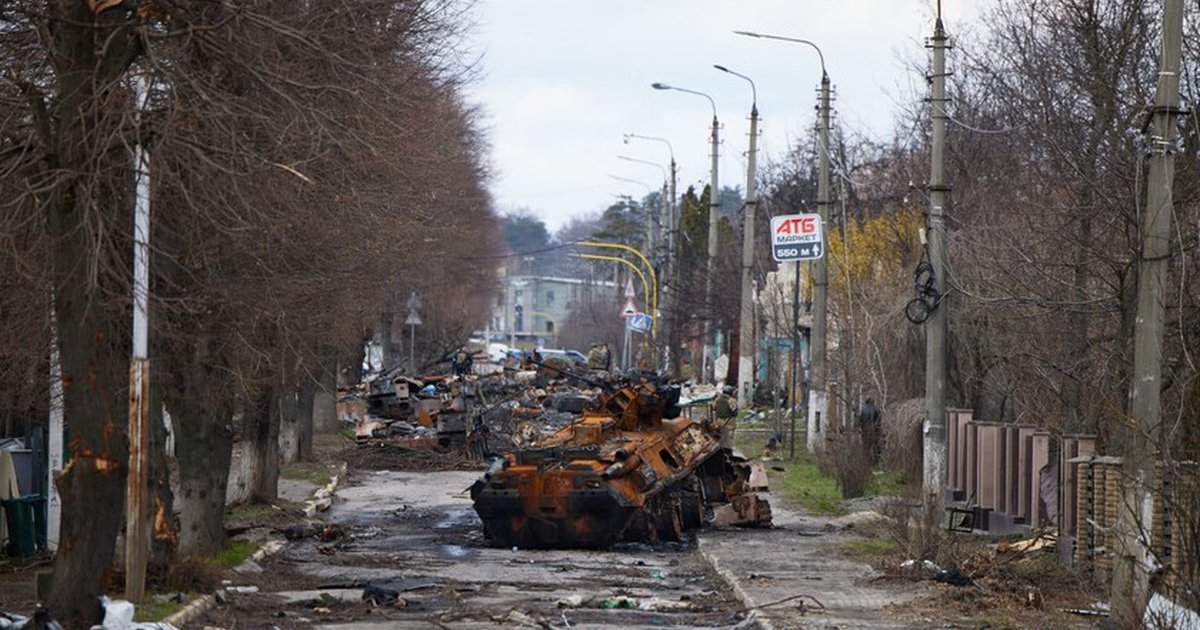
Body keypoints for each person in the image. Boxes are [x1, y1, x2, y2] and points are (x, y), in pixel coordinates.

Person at [858, 397, 882, 464]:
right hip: (875, 429)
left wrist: (861, 428)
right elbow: (879, 420)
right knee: (875, 445)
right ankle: (876, 461)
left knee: (866, 446)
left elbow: (860, 421)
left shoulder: (863, 409)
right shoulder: (877, 409)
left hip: (866, 430)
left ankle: (866, 461)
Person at [713, 384, 738, 448]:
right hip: (728, 422)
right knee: (729, 439)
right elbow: (735, 412)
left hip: (719, 421)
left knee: (721, 438)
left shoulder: (717, 399)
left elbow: (714, 408)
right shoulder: (731, 400)